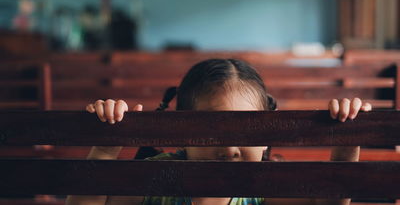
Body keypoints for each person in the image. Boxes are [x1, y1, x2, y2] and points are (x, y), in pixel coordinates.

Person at [66, 58, 372, 205]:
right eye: (214, 129)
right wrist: (107, 145)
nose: (231, 148)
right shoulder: (155, 181)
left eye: (248, 130)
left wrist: (346, 142)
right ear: (181, 129)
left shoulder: (265, 190)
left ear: (267, 132)